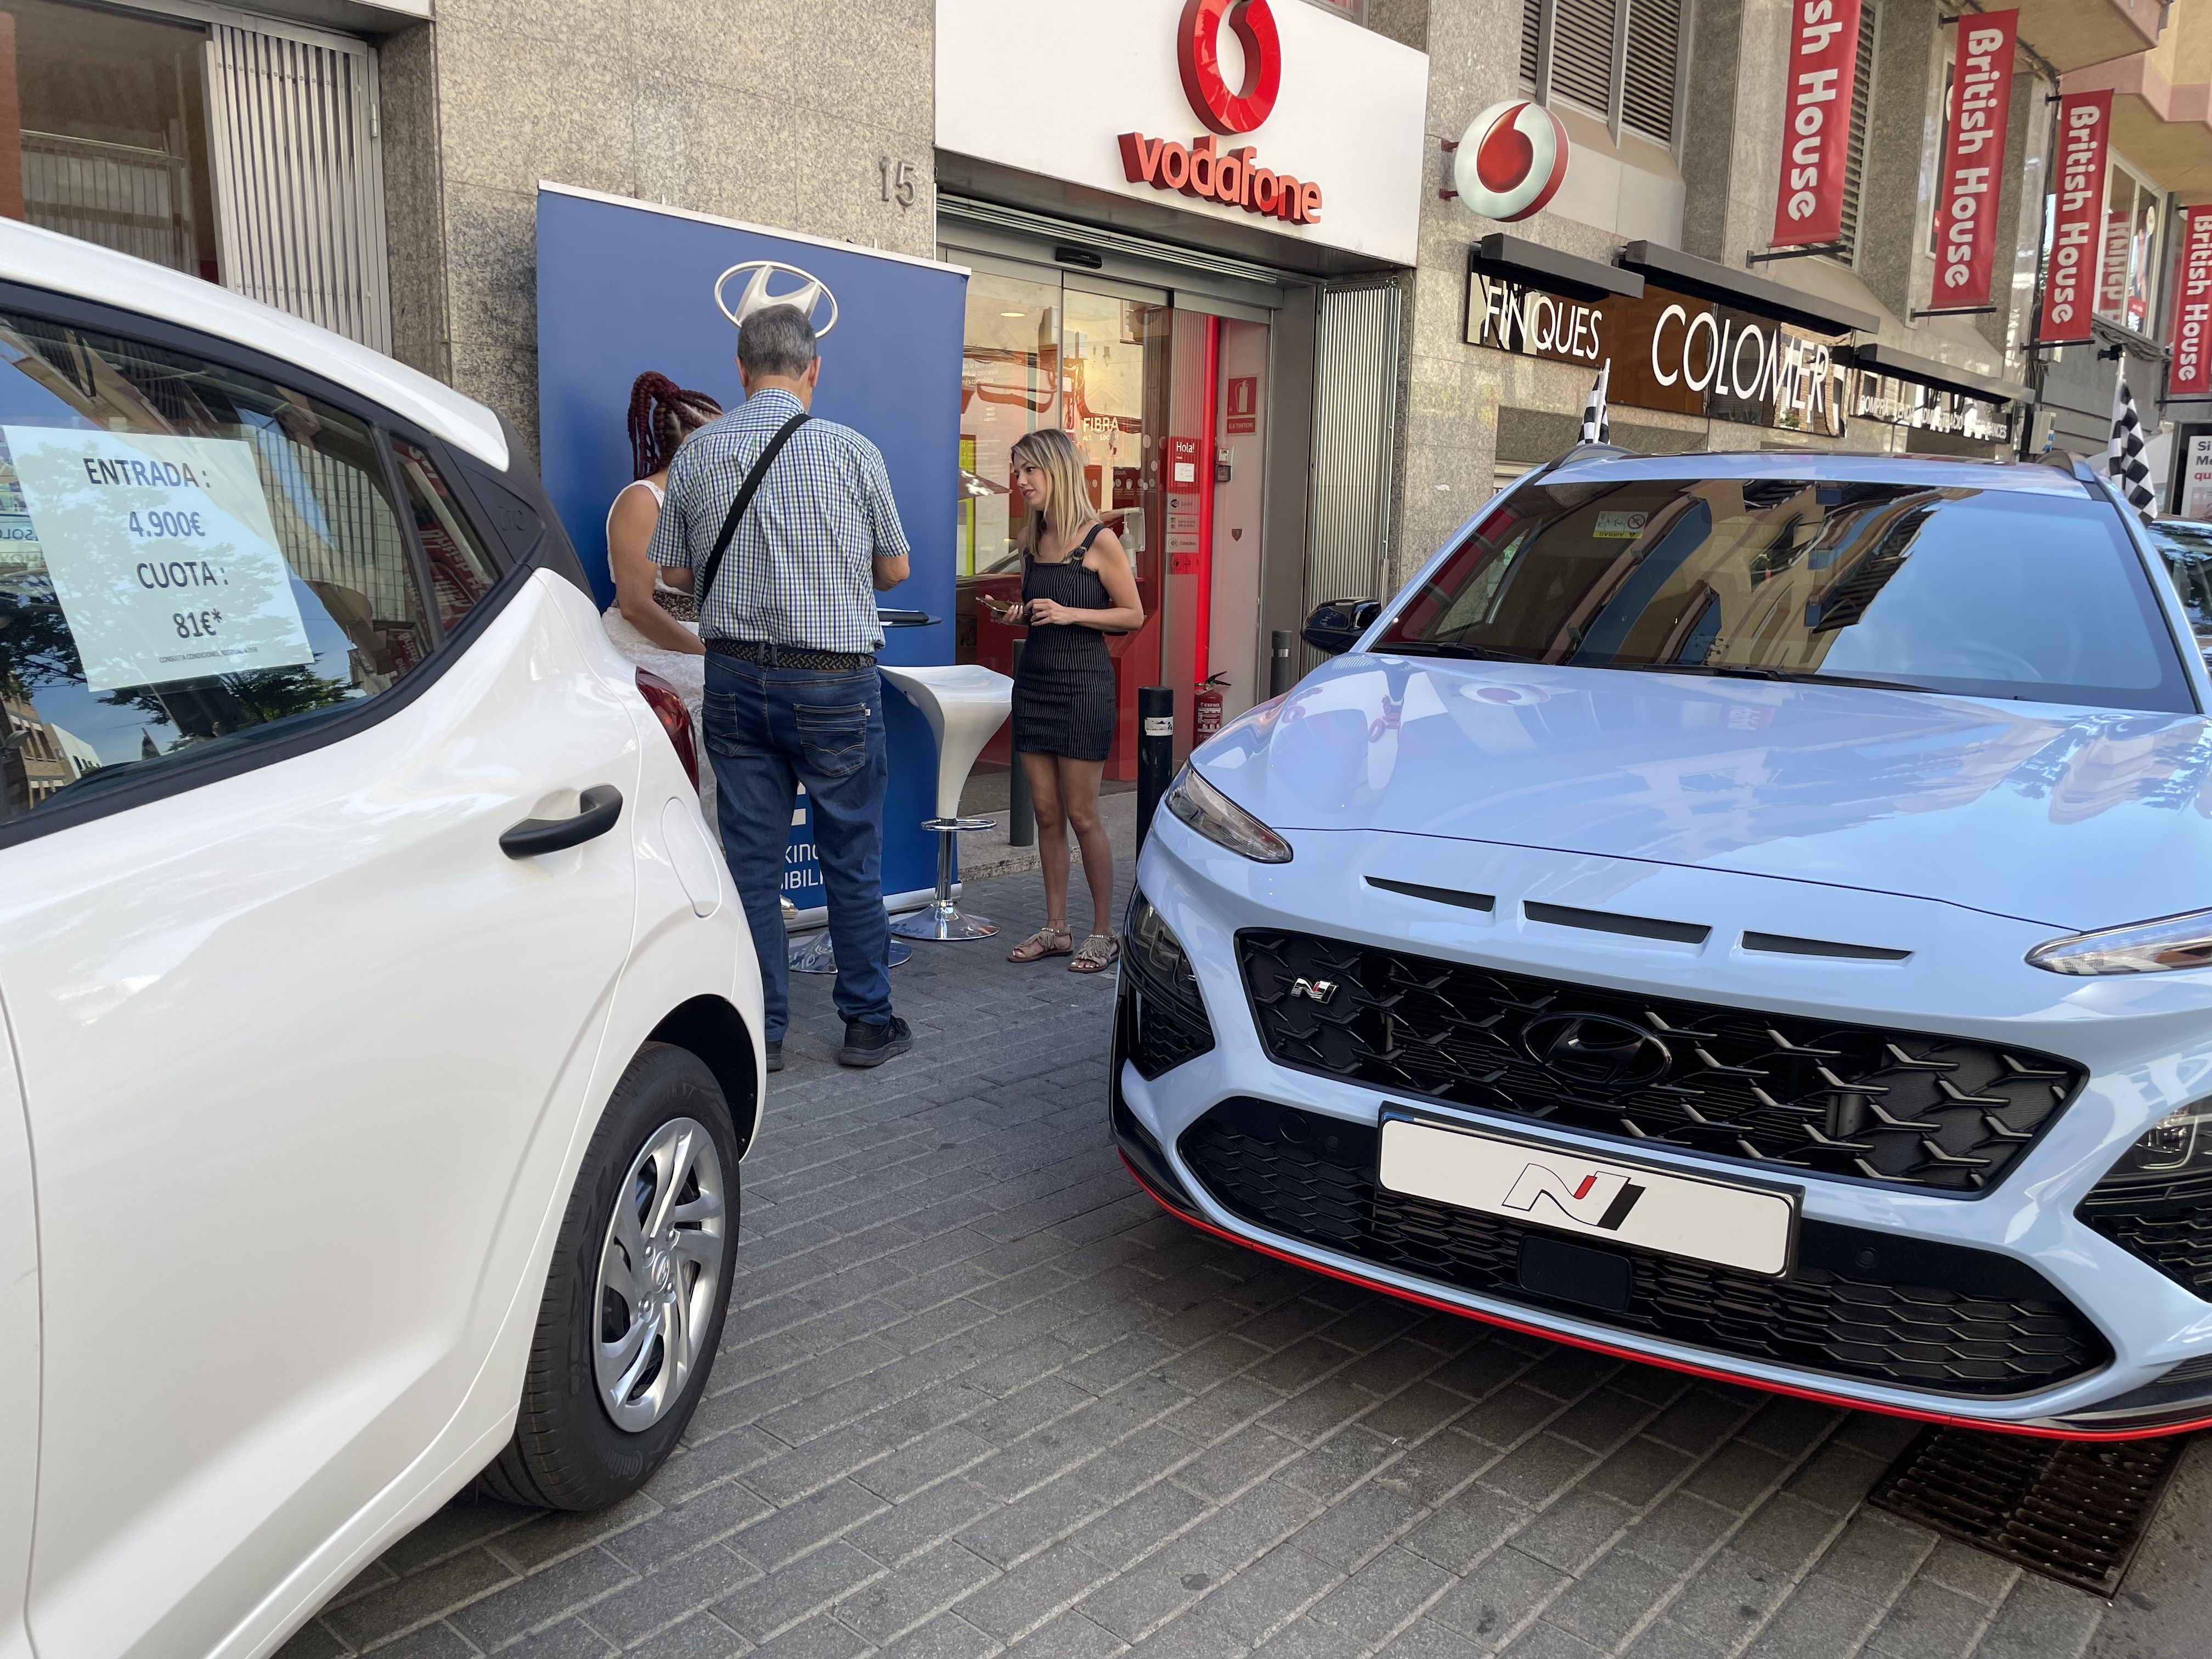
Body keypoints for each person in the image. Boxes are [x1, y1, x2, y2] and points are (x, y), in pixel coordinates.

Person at [648, 304, 913, 1072]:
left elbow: (669, 574)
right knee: (851, 859)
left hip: (733, 678)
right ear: (813, 369)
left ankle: (762, 1032)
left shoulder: (698, 456)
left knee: (751, 866)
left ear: (740, 369)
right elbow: (895, 570)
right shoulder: (853, 452)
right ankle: (866, 1023)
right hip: (834, 684)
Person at [994, 427, 1145, 973]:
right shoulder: (1031, 538)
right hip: (1035, 684)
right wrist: (1024, 613)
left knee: (1083, 814)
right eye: (1017, 472)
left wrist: (1069, 613)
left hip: (1082, 688)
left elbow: (1133, 614)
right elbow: (1042, 605)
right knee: (1046, 811)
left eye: (1029, 470)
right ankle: (1057, 927)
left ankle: (1103, 932)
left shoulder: (1097, 539)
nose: (1022, 481)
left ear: (1055, 470)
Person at [603, 374, 723, 808]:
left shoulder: (710, 501)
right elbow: (637, 606)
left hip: (700, 641)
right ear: (691, 438)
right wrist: (709, 655)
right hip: (650, 648)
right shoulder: (643, 500)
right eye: (720, 433)